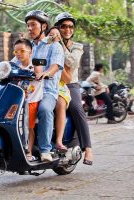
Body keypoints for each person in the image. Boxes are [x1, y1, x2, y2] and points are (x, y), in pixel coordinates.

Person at [12, 10, 64, 162]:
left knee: (45, 109)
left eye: (33, 25)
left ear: (43, 26)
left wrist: (46, 73)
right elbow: (13, 63)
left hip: (47, 90)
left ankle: (45, 150)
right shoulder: (27, 47)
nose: (29, 28)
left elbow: (55, 66)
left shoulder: (54, 46)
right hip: (27, 91)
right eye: (27, 25)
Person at [55, 12, 93, 165]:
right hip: (51, 83)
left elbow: (72, 63)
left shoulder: (77, 46)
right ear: (58, 27)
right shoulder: (50, 42)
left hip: (71, 84)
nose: (67, 29)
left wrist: (59, 44)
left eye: (70, 27)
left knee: (77, 108)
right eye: (63, 26)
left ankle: (88, 148)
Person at [12, 38, 43, 161]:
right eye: (16, 52)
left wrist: (37, 72)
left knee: (28, 126)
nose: (18, 53)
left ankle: (28, 152)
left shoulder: (36, 62)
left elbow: (39, 71)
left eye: (22, 51)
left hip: (31, 100)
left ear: (30, 51)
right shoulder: (15, 64)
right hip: (19, 101)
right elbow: (7, 68)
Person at [46, 27, 72, 152]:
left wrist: (57, 67)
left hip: (59, 87)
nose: (54, 38)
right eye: (51, 35)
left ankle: (58, 141)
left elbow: (68, 79)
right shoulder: (41, 50)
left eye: (57, 36)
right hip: (43, 84)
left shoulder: (63, 54)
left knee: (60, 104)